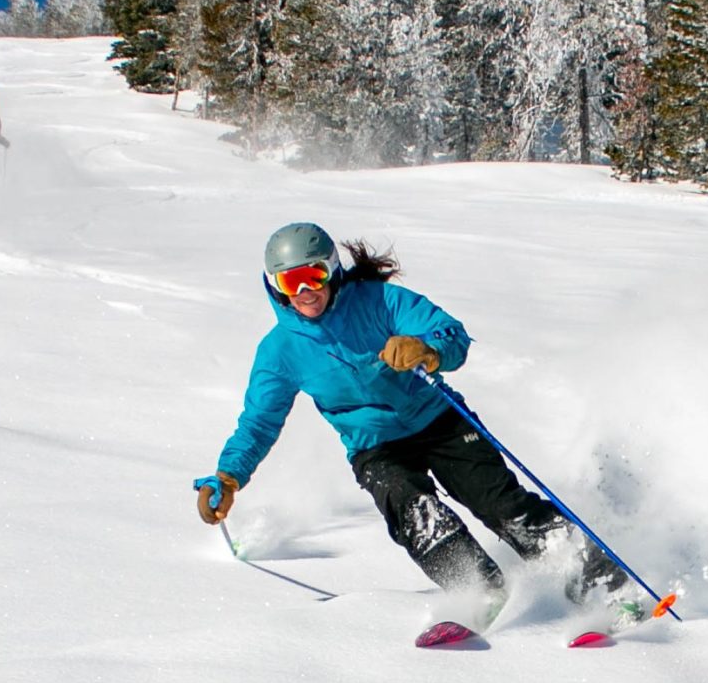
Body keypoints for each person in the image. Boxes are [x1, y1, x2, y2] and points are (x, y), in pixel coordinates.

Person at [194, 222, 629, 624]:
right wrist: (230, 475)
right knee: (411, 509)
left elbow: (451, 333)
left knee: (498, 502)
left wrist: (426, 350)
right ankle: (476, 588)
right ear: (275, 287)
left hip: (438, 418)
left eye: (315, 275)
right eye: (292, 281)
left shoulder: (380, 301)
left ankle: (600, 581)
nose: (306, 291)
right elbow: (258, 423)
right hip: (375, 446)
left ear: (333, 271)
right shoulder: (280, 352)